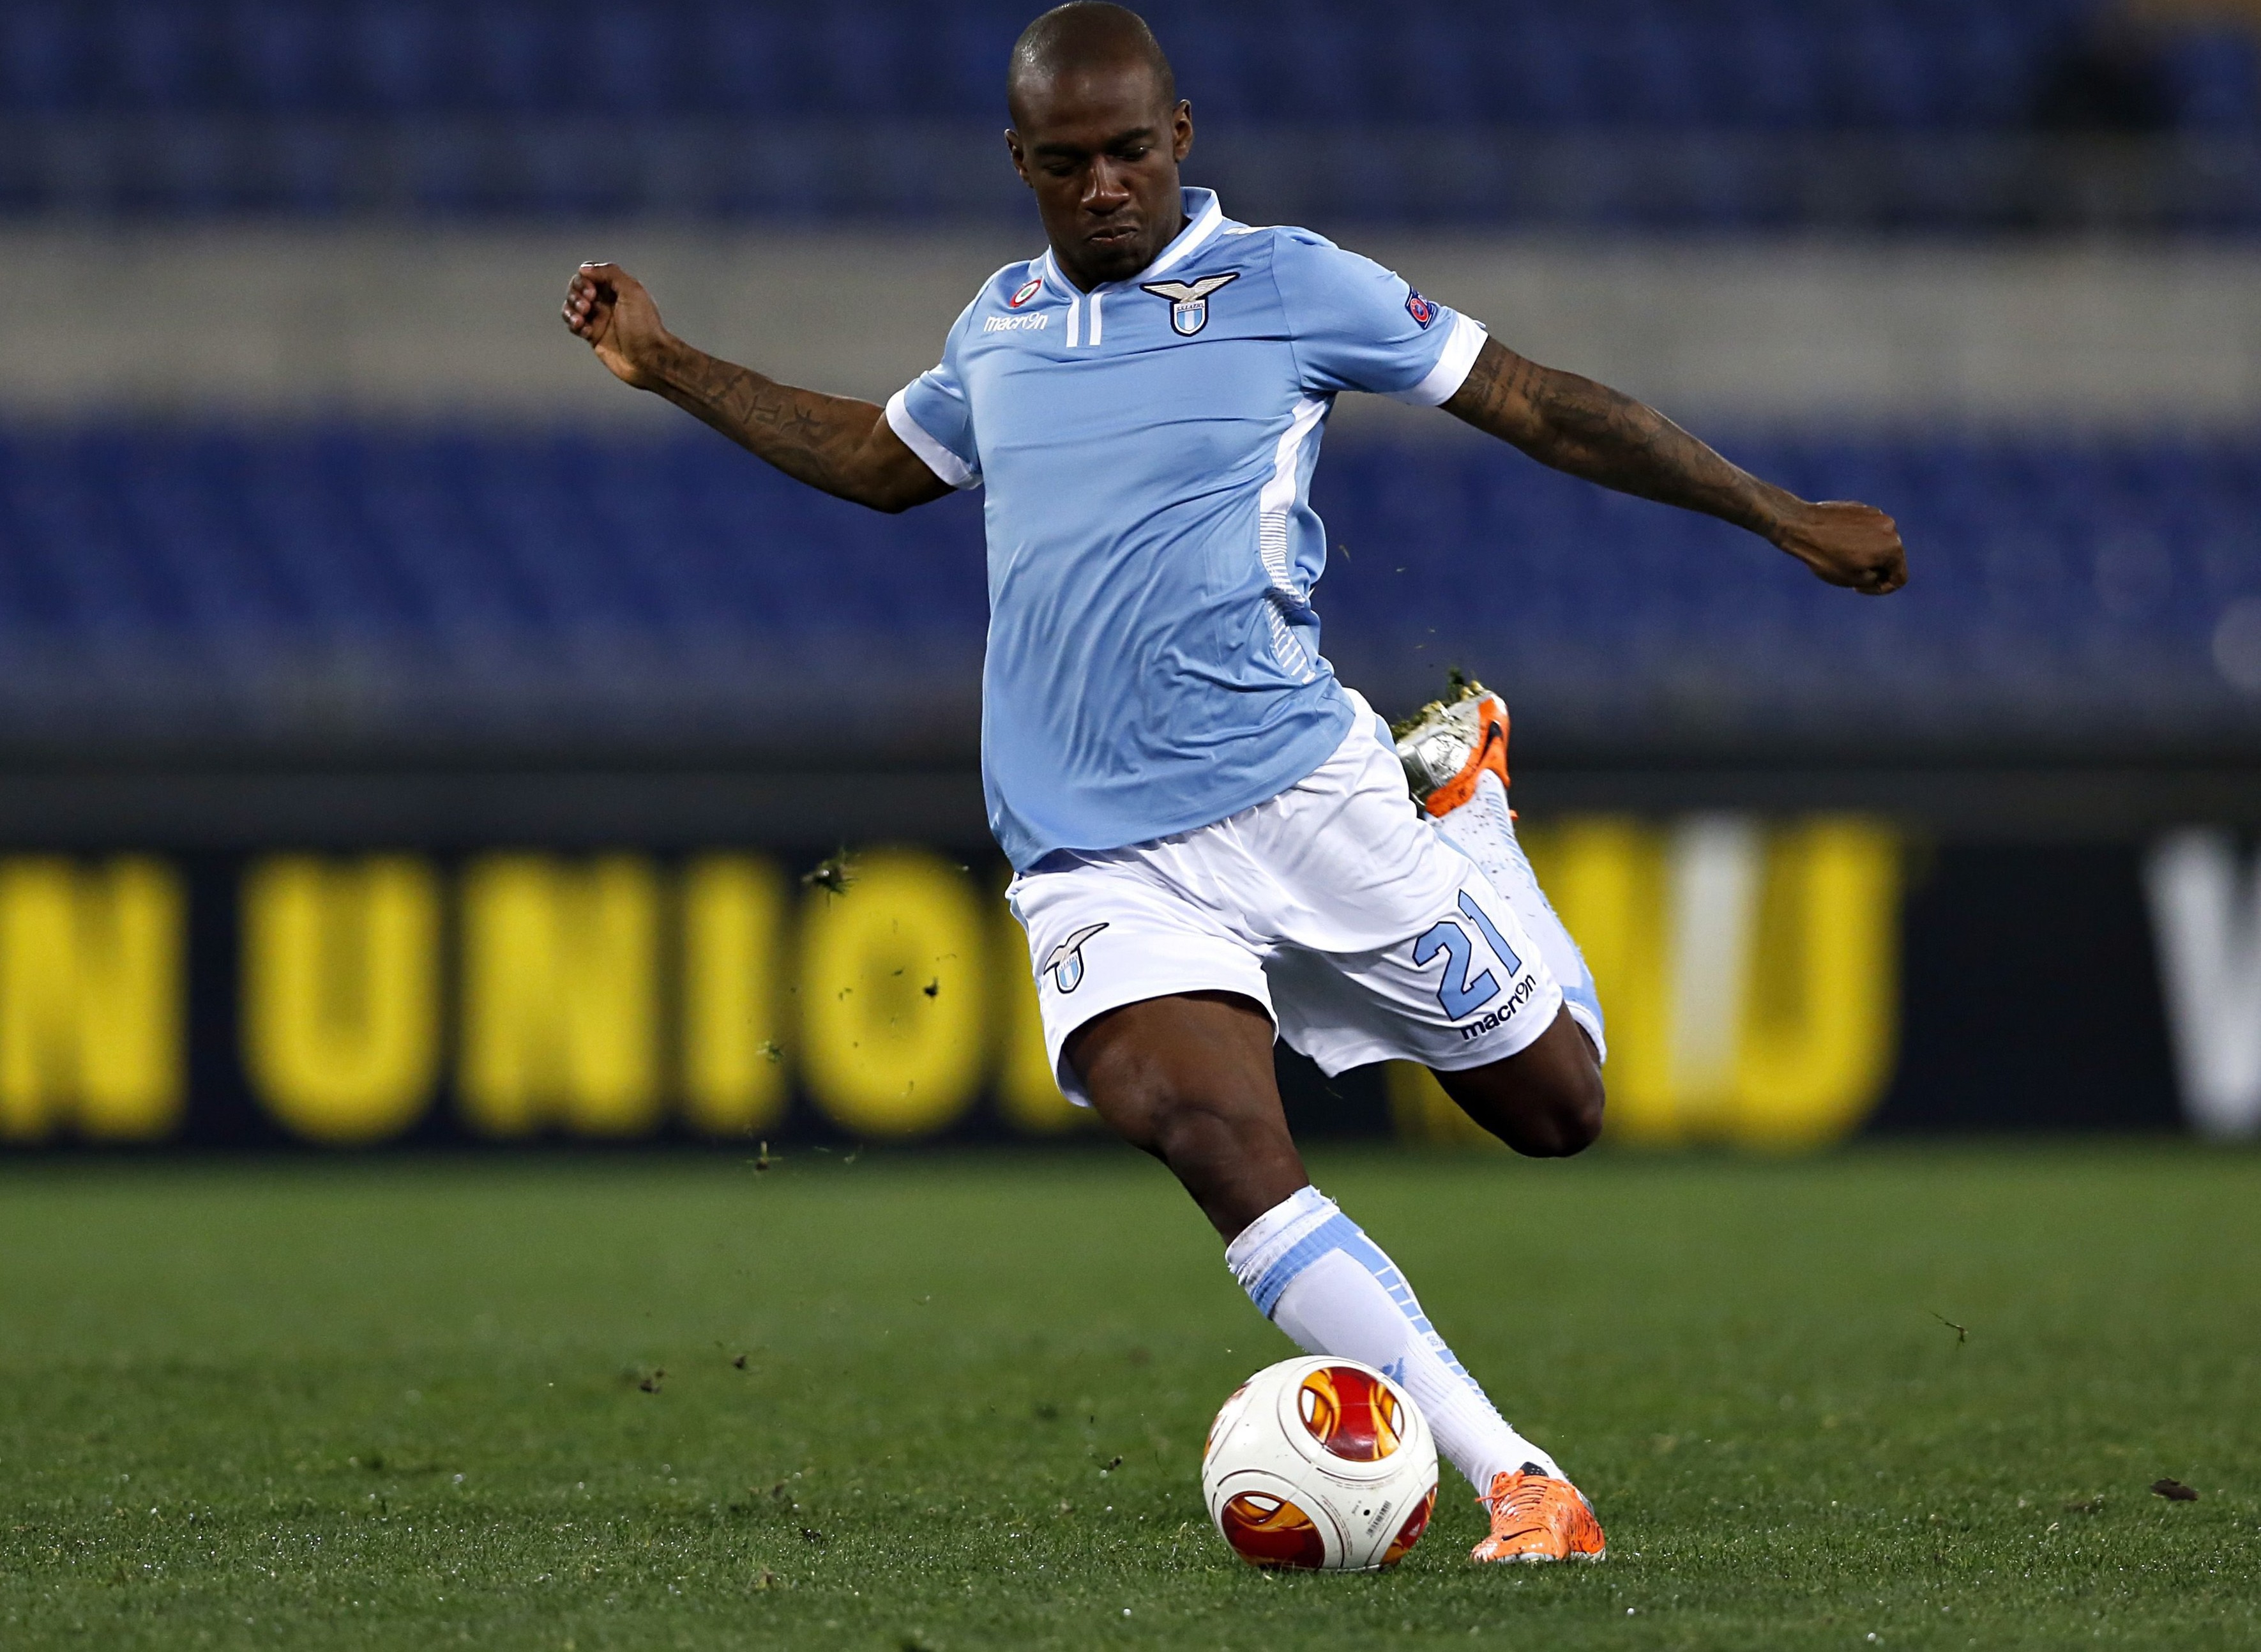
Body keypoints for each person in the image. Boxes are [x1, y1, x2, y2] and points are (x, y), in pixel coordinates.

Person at [562, 1, 1906, 1565]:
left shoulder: (1291, 283)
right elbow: (877, 461)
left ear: (1180, 136)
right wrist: (667, 364)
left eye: (1130, 151)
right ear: (1020, 163)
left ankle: (1468, 812)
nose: (1104, 186)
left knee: (1558, 1110)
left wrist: (1777, 513)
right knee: (1198, 1128)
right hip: (1091, 851)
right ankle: (1521, 1480)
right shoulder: (998, 324)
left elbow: (1537, 401)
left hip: (1301, 799)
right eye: (1067, 162)